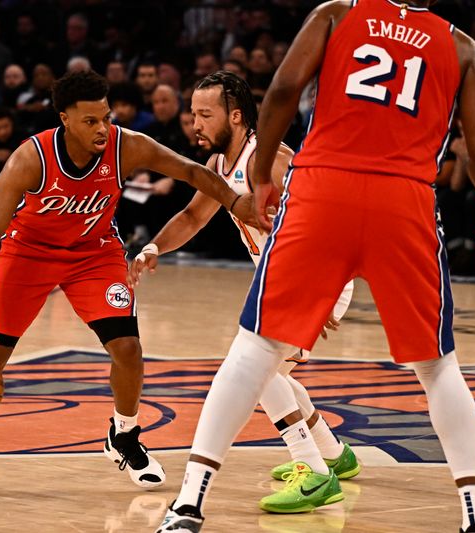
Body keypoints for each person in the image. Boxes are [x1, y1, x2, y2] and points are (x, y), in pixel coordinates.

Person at [158, 1, 475, 532]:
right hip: (405, 200)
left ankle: (188, 505)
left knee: (254, 348)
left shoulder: (337, 14)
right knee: (438, 366)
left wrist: (263, 170)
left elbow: (280, 91)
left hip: (324, 188)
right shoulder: (460, 46)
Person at [0, 70, 256, 499]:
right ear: (65, 119)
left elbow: (189, 171)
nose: (102, 128)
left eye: (106, 118)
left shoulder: (125, 145)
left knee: (128, 349)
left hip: (94, 254)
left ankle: (124, 436)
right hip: (27, 257)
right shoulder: (31, 158)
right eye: (90, 121)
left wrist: (236, 201)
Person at [131, 69, 360, 500]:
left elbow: (332, 217)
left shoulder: (266, 159)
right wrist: (154, 248)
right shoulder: (219, 162)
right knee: (272, 373)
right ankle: (333, 454)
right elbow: (194, 216)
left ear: (235, 116)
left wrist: (323, 290)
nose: (194, 124)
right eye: (193, 114)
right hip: (279, 277)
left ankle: (313, 473)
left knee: (255, 371)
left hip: (312, 276)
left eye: (205, 114)